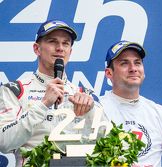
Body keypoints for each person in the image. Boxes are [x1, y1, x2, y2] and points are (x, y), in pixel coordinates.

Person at [0, 20, 94, 166]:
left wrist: (91, 112)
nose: (60, 48)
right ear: (37, 49)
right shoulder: (15, 90)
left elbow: (106, 144)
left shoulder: (82, 94)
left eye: (66, 43)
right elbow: (4, 142)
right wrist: (43, 105)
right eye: (52, 42)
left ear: (70, 51)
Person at [100, 40, 162, 166]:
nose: (133, 69)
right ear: (109, 73)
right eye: (124, 63)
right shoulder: (97, 110)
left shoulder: (161, 114)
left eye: (137, 63)